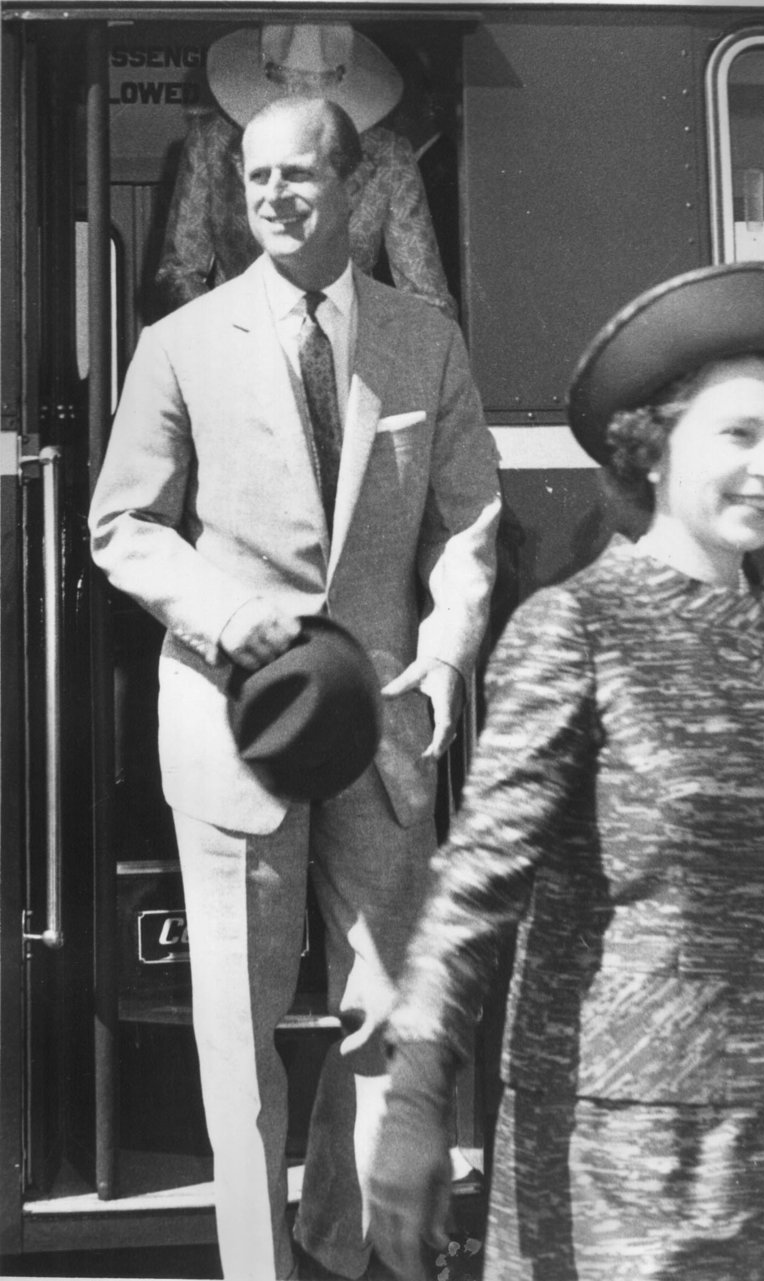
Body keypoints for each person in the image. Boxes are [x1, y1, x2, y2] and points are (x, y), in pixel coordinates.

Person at [368, 261, 764, 1281]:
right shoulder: (578, 627)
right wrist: (416, 1094)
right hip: (618, 1149)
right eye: (737, 435)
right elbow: (474, 886)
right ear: (652, 449)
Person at [89, 95, 500, 1281]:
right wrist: (227, 614)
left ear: (354, 188)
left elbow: (469, 520)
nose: (271, 195)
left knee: (391, 1011)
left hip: (380, 722)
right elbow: (123, 525)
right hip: (238, 722)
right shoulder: (180, 342)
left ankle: (347, 1247)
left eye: (298, 175)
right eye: (256, 176)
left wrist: (449, 643)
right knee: (239, 1041)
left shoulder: (424, 338)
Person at [155, 22, 457, 319]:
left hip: (353, 339)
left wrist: (381, 344)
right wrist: (227, 332)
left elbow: (428, 298)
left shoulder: (387, 155)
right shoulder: (213, 142)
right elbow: (179, 271)